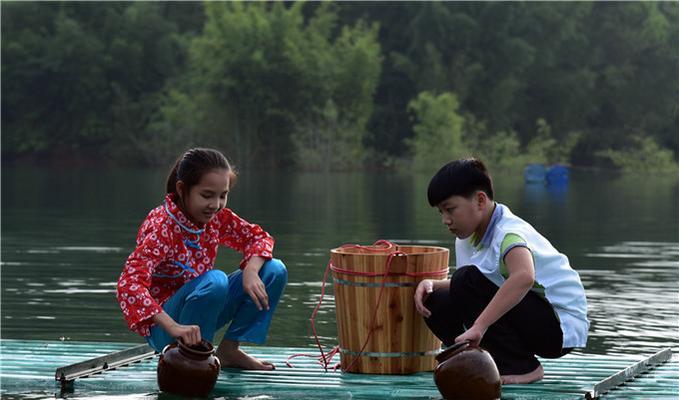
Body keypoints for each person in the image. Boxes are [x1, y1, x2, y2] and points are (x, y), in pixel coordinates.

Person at [414, 158, 588, 384]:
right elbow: (480, 282)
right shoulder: (468, 236)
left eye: (450, 209)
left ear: (479, 200)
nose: (446, 220)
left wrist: (479, 326)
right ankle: (481, 361)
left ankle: (523, 367)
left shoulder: (508, 233)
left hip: (559, 327)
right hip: (530, 314)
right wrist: (433, 284)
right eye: (441, 212)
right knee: (436, 300)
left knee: (464, 279)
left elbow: (524, 277)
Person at [116, 147, 287, 370]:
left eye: (222, 196)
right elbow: (128, 285)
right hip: (167, 329)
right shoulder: (161, 227)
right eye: (207, 196)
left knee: (274, 270)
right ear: (182, 189)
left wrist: (251, 271)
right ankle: (196, 359)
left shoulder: (216, 218)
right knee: (216, 281)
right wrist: (174, 326)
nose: (215, 205)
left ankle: (229, 351)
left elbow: (258, 238)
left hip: (200, 317)